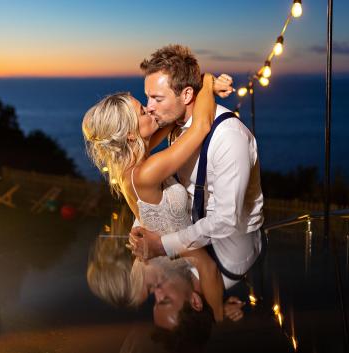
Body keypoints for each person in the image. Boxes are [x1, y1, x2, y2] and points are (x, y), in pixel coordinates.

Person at [82, 67, 235, 319]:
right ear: (130, 133)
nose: (150, 108)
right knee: (209, 315)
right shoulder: (145, 172)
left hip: (175, 250)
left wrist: (191, 91)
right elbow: (201, 127)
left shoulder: (131, 161)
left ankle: (216, 313)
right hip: (180, 257)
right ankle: (218, 317)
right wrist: (206, 82)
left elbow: (172, 118)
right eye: (142, 111)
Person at [130, 44, 264, 291]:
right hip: (191, 243)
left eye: (157, 98)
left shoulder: (229, 137)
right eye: (148, 97)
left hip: (230, 252)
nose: (149, 106)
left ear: (188, 95)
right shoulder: (173, 125)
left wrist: (163, 245)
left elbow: (225, 220)